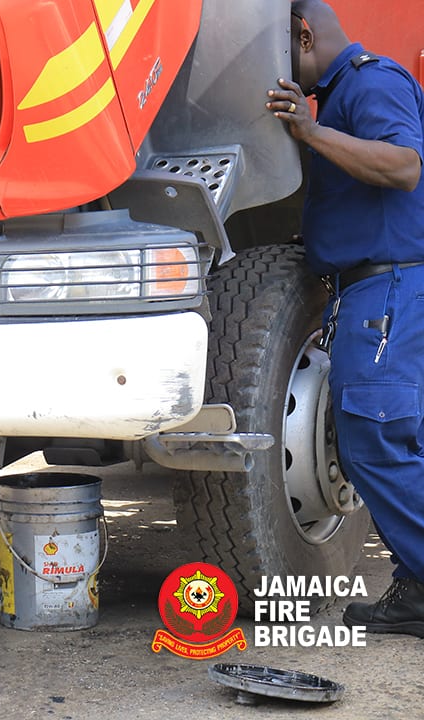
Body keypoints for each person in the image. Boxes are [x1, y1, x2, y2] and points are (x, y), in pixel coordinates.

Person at [267, 0, 424, 636]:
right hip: (375, 292)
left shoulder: (371, 80)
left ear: (301, 34)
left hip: (386, 290)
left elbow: (404, 166)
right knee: (391, 443)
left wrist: (307, 132)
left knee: (374, 441)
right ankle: (416, 593)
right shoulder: (342, 96)